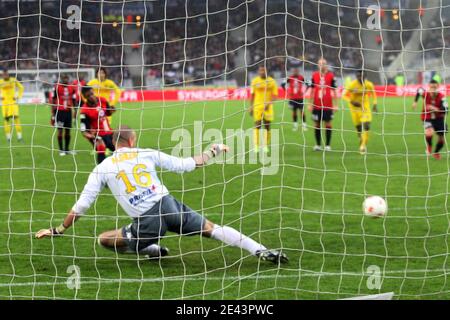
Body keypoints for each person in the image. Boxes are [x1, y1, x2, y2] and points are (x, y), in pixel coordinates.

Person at [35, 126, 288, 264]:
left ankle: (152, 249)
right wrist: (213, 150)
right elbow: (187, 164)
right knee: (213, 228)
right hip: (169, 206)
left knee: (104, 239)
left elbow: (81, 206)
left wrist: (58, 229)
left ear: (113, 144)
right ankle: (262, 251)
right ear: (132, 141)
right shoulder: (146, 153)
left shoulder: (102, 168)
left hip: (147, 222)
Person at [343, 70, 378, 155]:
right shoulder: (352, 84)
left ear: (365, 77)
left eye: (362, 76)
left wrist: (375, 104)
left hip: (365, 108)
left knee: (366, 125)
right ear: (356, 76)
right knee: (359, 128)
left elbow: (374, 94)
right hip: (354, 109)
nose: (360, 78)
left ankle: (362, 146)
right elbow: (343, 95)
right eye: (358, 76)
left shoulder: (369, 84)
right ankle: (361, 139)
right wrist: (351, 101)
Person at [412, 79, 448, 159]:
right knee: (429, 133)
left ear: (438, 87)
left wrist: (435, 109)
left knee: (441, 139)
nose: (433, 89)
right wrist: (415, 102)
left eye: (435, 87)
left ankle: (436, 152)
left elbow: (446, 110)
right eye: (431, 87)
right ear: (429, 87)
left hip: (439, 119)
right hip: (427, 117)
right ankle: (429, 146)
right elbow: (419, 90)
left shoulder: (442, 97)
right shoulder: (425, 94)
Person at [307, 58, 337, 151]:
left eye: (323, 63)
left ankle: (327, 145)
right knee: (317, 124)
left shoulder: (331, 76)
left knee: (328, 123)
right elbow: (312, 90)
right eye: (320, 63)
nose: (321, 65)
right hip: (316, 104)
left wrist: (336, 104)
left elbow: (334, 90)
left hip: (328, 104)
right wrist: (309, 104)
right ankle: (318, 145)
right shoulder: (314, 75)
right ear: (317, 65)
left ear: (326, 65)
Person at [79, 86, 115, 163]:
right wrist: (93, 138)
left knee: (120, 150)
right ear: (85, 97)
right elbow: (83, 131)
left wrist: (112, 110)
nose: (91, 96)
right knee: (101, 149)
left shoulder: (103, 100)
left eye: (92, 94)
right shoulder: (84, 111)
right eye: (88, 96)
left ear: (94, 92)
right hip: (98, 136)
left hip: (109, 133)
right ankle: (101, 171)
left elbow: (108, 113)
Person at [249, 65, 278, 153]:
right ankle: (256, 146)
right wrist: (251, 107)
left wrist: (269, 103)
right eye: (260, 70)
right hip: (257, 106)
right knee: (257, 124)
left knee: (267, 125)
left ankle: (265, 145)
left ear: (266, 71)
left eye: (263, 70)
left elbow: (275, 96)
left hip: (268, 107)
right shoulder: (255, 81)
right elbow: (252, 95)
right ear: (258, 71)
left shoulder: (272, 81)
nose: (262, 72)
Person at [51, 74, 77, 156]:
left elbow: (74, 100)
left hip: (68, 112)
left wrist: (75, 110)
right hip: (60, 112)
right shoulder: (57, 87)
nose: (65, 80)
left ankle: (67, 149)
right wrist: (53, 114)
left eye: (67, 78)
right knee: (60, 131)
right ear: (61, 79)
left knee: (68, 131)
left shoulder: (71, 88)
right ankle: (61, 150)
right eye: (64, 79)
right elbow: (53, 100)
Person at [0, 68, 24, 142]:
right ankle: (8, 138)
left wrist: (18, 96)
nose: (5, 75)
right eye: (4, 74)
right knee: (6, 120)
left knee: (16, 119)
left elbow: (21, 87)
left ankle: (19, 137)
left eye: (6, 74)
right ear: (2, 75)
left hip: (13, 103)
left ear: (8, 74)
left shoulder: (13, 80)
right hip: (5, 104)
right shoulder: (0, 81)